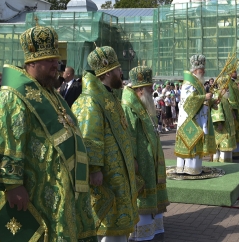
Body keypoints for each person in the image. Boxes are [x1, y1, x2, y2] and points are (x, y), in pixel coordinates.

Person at [0, 24, 96, 241]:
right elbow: (4, 142)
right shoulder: (12, 97)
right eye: (50, 60)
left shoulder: (52, 94)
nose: (56, 65)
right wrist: (12, 185)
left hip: (58, 192)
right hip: (30, 193)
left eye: (56, 59)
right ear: (31, 62)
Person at [71, 46, 140, 240]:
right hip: (105, 175)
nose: (121, 73)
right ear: (108, 71)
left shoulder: (109, 96)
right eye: (118, 69)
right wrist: (94, 169)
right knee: (106, 225)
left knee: (118, 225)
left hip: (117, 173)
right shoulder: (90, 100)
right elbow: (88, 137)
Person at [122, 66, 170, 241]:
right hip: (140, 164)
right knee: (141, 200)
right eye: (149, 86)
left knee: (152, 199)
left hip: (150, 162)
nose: (152, 89)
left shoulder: (141, 103)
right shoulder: (128, 106)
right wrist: (133, 159)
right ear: (140, 89)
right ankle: (141, 235)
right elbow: (129, 136)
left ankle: (153, 232)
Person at [174, 54, 216, 175]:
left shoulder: (198, 83)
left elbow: (201, 101)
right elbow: (188, 102)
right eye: (201, 70)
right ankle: (186, 169)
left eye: (203, 69)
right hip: (189, 120)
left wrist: (212, 101)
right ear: (195, 70)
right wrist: (205, 96)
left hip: (197, 119)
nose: (204, 72)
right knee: (190, 143)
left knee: (194, 145)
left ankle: (193, 169)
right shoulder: (189, 83)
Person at [209, 76, 236, 163]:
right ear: (222, 87)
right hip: (221, 127)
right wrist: (219, 123)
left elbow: (229, 108)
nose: (228, 89)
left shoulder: (225, 98)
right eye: (226, 87)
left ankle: (227, 162)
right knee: (222, 147)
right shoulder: (218, 96)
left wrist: (232, 113)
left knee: (227, 146)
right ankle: (219, 163)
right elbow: (216, 110)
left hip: (227, 127)